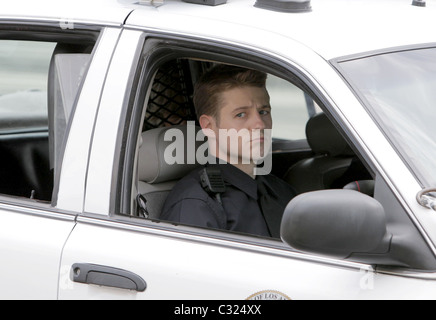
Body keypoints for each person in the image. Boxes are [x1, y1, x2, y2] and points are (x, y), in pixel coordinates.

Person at [161, 64, 296, 238]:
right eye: (241, 115)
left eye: (263, 111)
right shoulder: (196, 204)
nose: (260, 124)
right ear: (209, 126)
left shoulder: (280, 190)